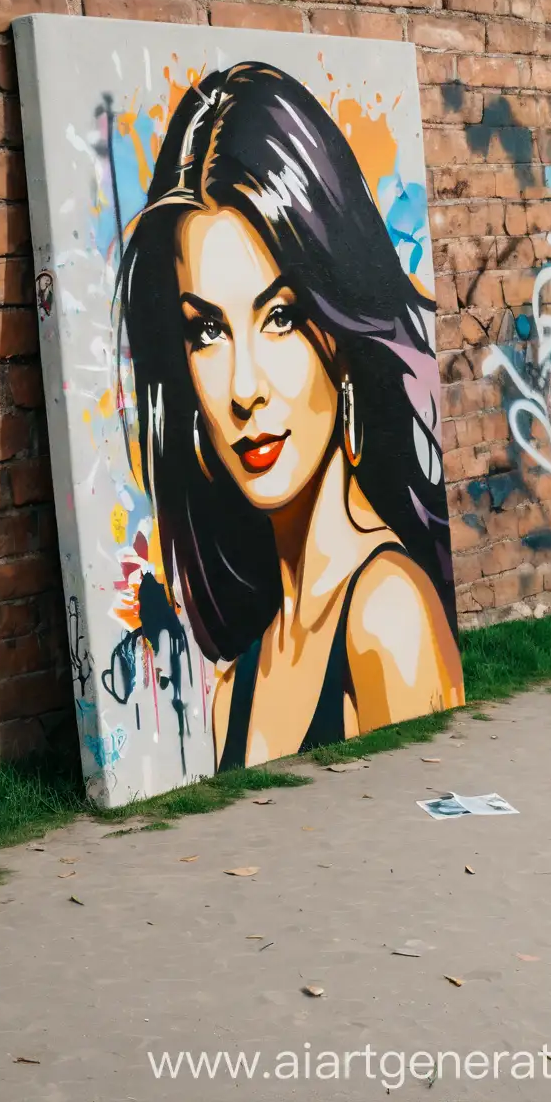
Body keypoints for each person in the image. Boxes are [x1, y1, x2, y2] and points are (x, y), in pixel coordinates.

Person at [117, 61, 463, 772]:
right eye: (207, 331)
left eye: (280, 317)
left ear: (337, 330)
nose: (244, 387)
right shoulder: (232, 691)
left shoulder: (384, 618)